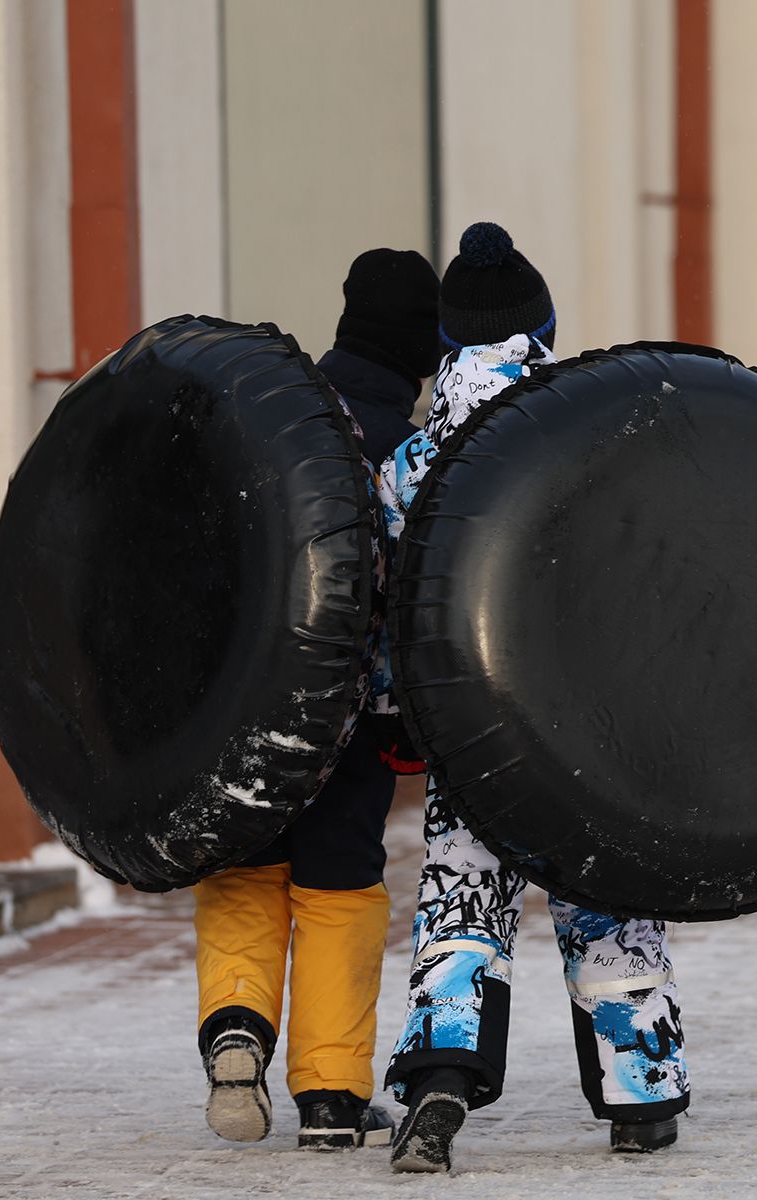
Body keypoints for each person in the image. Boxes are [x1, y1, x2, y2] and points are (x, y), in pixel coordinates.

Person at [373, 223, 690, 1175]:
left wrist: (399, 713)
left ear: (447, 345)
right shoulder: (594, 434)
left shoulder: (410, 464)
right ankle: (641, 1100)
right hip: (594, 728)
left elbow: (389, 607)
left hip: (472, 733)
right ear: (542, 331)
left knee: (461, 907)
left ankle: (438, 1082)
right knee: (608, 900)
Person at [195, 248, 438, 1150]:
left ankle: (235, 1032)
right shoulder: (407, 452)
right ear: (419, 348)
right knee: (339, 884)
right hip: (353, 723)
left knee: (243, 870)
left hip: (246, 707)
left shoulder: (277, 418)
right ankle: (332, 1096)